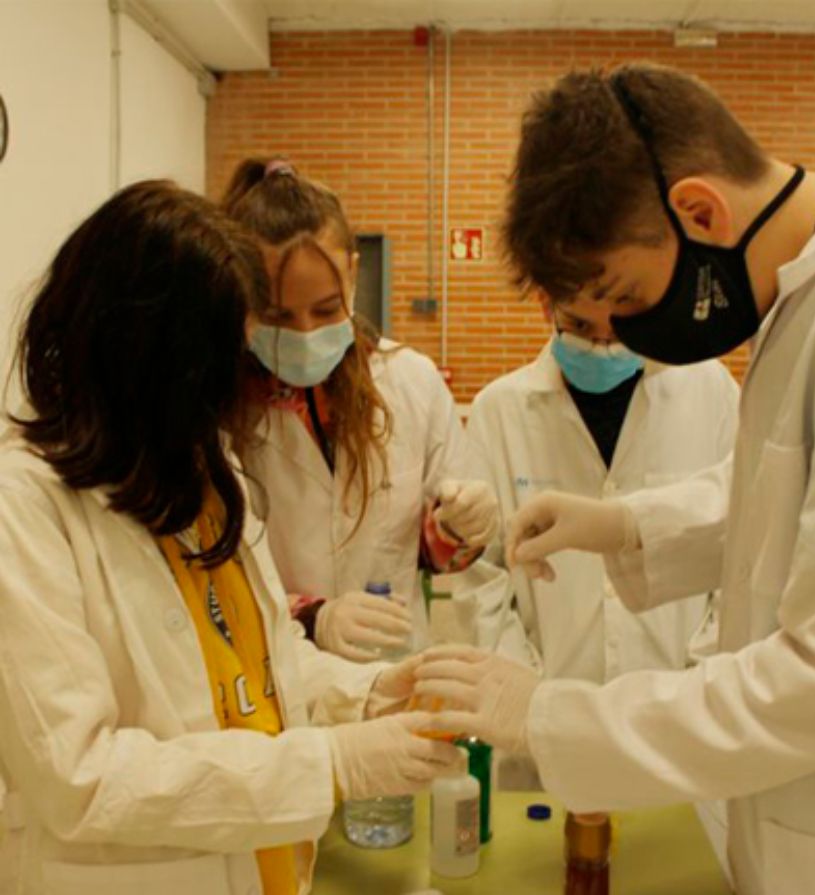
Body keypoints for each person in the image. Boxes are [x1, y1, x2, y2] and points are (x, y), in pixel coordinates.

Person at [415, 62, 815, 895]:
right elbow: (781, 502)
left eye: (623, 296)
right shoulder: (803, 295)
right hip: (778, 817)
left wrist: (549, 716)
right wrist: (623, 525)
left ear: (698, 211)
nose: (622, 334)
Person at [0, 180, 459, 895]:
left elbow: (264, 665)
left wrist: (367, 692)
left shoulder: (203, 470)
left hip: (267, 868)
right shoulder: (22, 508)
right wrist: (332, 763)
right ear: (137, 358)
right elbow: (79, 777)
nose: (240, 390)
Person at [463, 288, 737, 798]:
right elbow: (481, 580)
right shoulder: (499, 412)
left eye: (618, 330)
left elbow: (738, 552)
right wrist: (533, 699)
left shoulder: (709, 392)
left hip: (679, 724)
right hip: (540, 737)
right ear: (548, 305)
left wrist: (693, 679)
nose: (602, 347)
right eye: (581, 328)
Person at [221, 158, 498, 662]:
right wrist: (308, 616)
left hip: (389, 670)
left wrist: (459, 528)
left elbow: (430, 554)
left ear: (352, 272)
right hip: (274, 674)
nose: (305, 333)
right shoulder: (222, 407)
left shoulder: (409, 381)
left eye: (326, 309)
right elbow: (210, 578)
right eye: (279, 316)